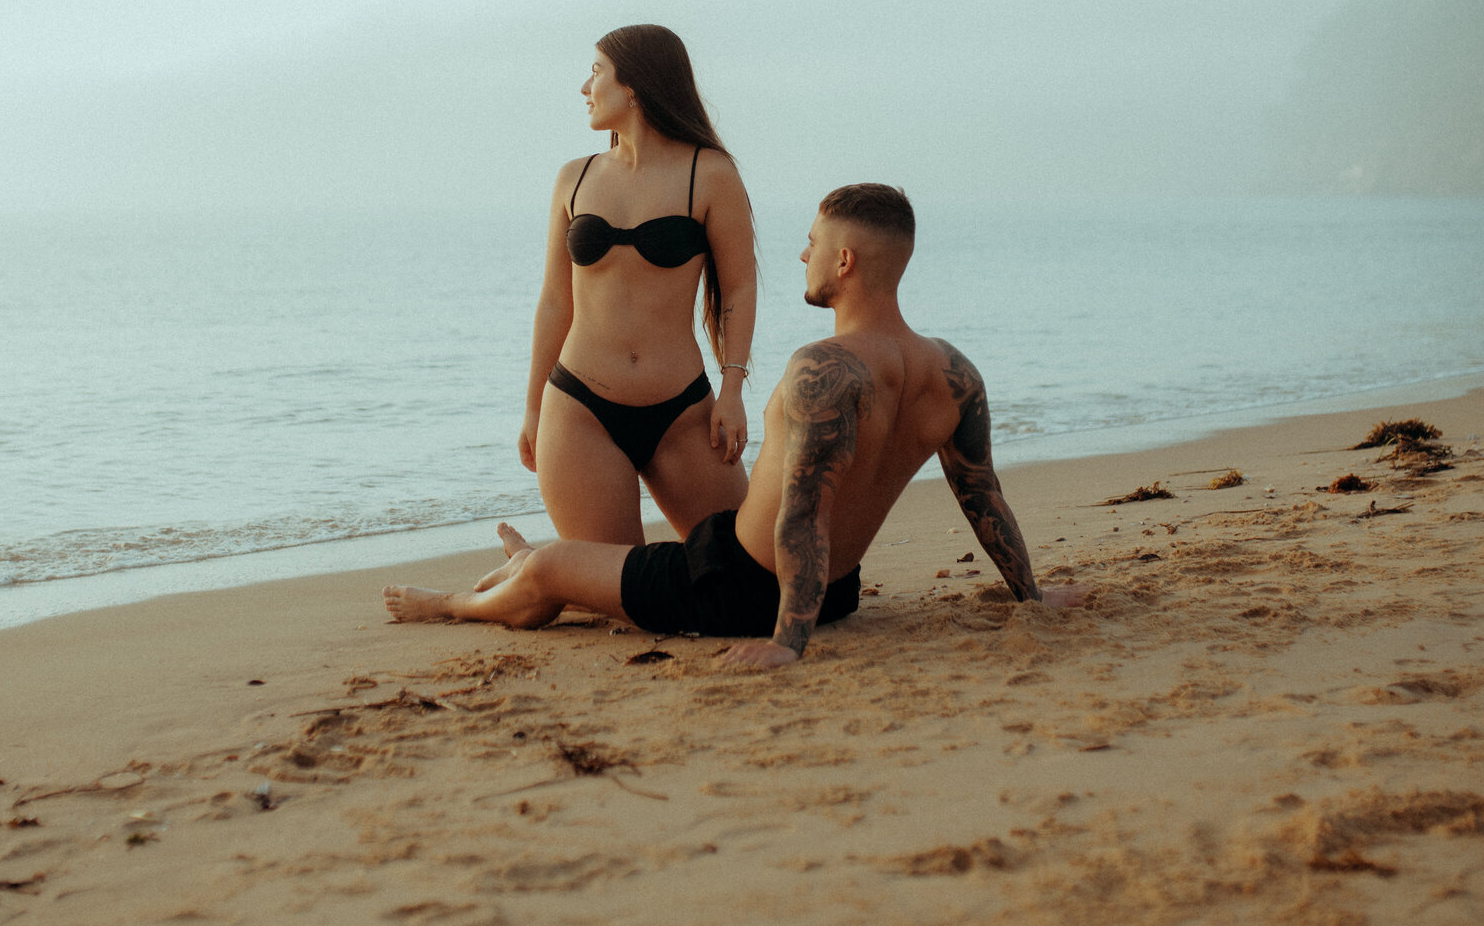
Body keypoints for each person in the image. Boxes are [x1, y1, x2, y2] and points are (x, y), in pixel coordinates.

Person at [386, 183, 1076, 665]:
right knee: (575, 566)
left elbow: (803, 515)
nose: (802, 256)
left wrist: (786, 643)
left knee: (551, 570)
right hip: (834, 590)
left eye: (812, 244)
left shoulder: (824, 369)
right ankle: (527, 566)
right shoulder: (951, 371)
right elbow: (982, 494)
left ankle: (449, 604)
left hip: (736, 588)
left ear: (846, 260)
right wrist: (1032, 597)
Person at [516, 24, 758, 548]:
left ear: (633, 86)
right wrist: (535, 406)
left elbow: (738, 289)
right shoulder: (574, 178)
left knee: (746, 571)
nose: (585, 87)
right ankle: (521, 578)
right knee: (614, 585)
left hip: (682, 412)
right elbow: (555, 301)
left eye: (597, 71)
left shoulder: (709, 173)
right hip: (579, 411)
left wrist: (733, 390)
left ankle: (536, 571)